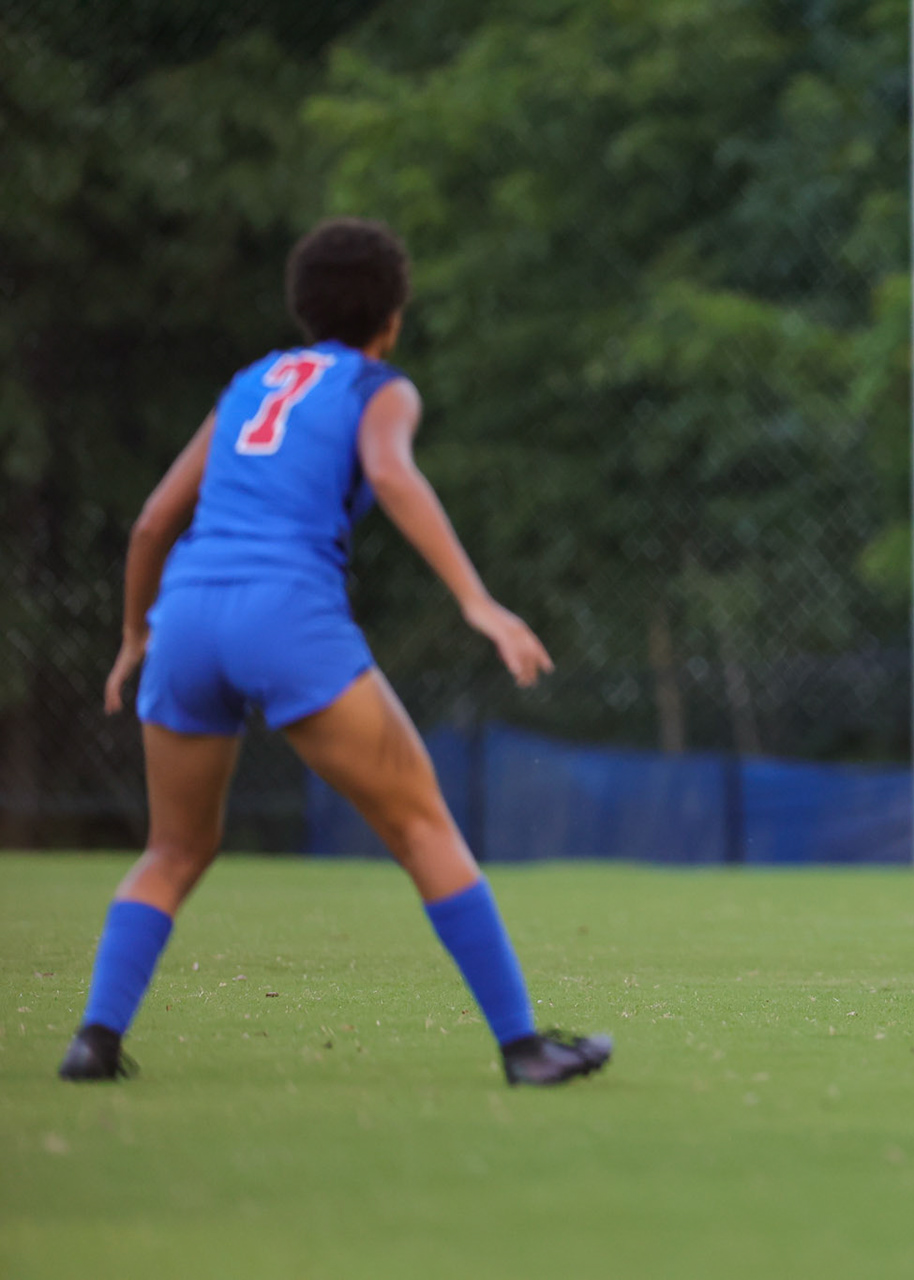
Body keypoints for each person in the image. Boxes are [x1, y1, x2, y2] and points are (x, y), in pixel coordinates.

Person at [58, 217, 611, 1085]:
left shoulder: (249, 384)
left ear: (304, 307)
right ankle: (523, 1048)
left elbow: (153, 522)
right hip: (285, 613)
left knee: (173, 850)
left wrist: (135, 636)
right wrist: (478, 603)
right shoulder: (377, 386)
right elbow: (390, 473)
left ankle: (95, 1039)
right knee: (422, 825)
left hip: (187, 614)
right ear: (391, 316)